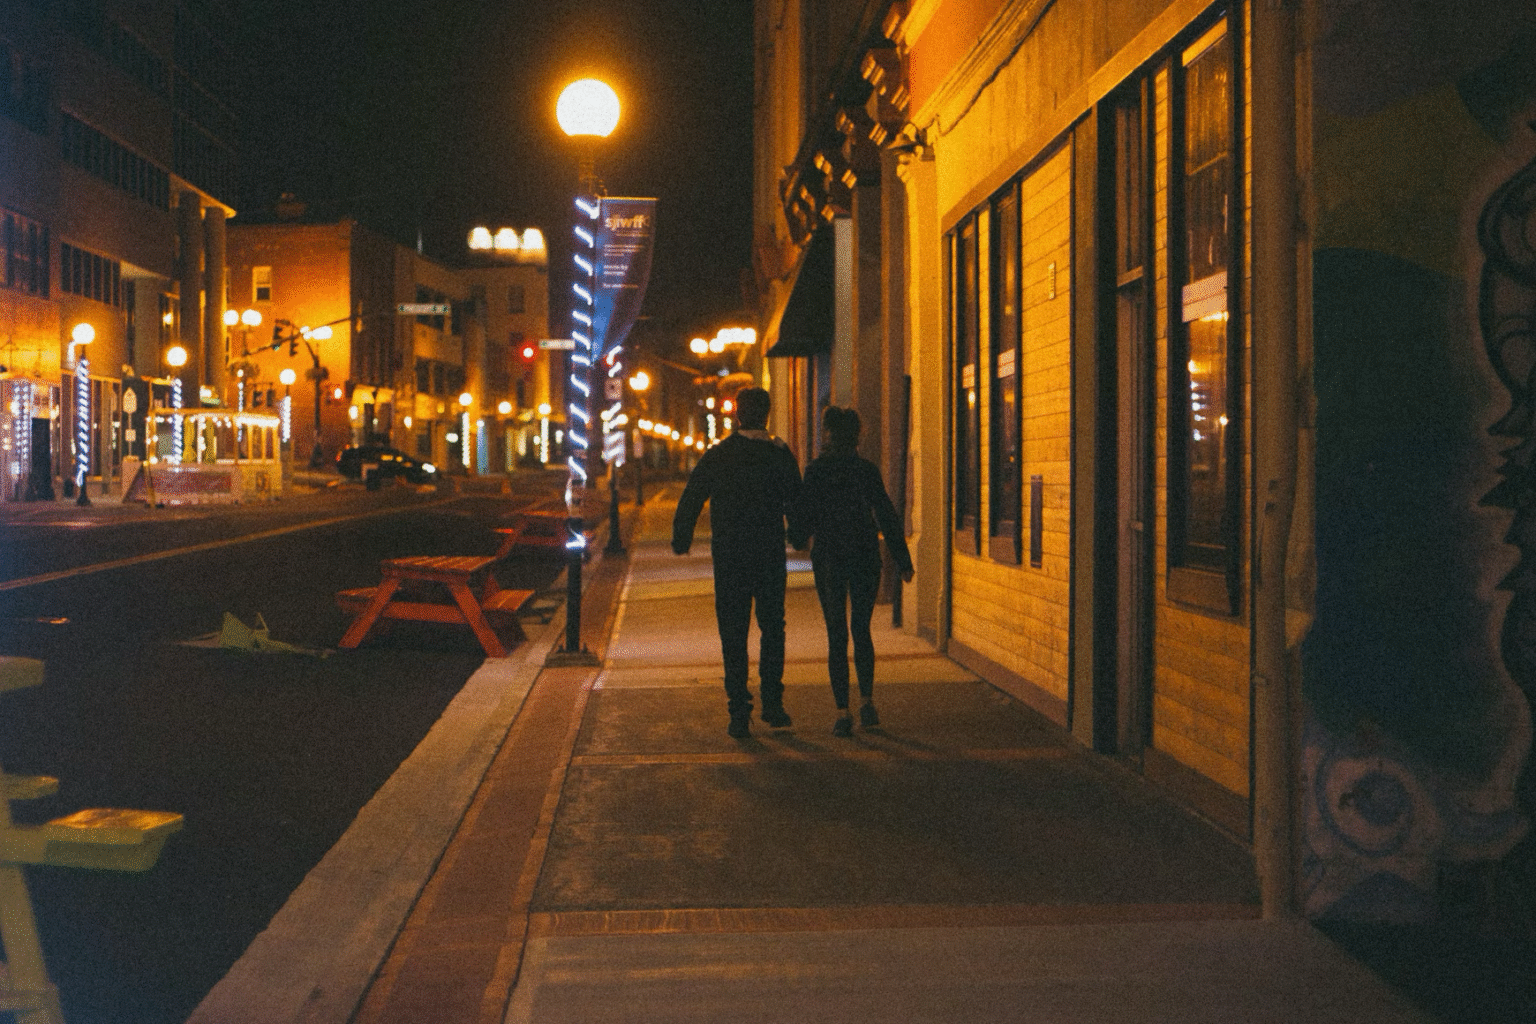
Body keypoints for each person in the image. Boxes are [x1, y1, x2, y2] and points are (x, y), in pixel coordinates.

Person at [672, 387, 804, 738]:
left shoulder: (720, 454)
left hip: (730, 555)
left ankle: (739, 710)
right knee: (772, 627)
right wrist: (798, 534)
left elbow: (692, 496)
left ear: (737, 415)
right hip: (769, 554)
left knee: (733, 630)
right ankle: (772, 703)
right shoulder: (778, 454)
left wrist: (682, 537)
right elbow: (796, 498)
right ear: (767, 414)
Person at [792, 406, 913, 737]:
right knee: (862, 629)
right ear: (857, 435)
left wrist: (796, 536)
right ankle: (867, 702)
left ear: (828, 433)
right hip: (863, 554)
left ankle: (842, 711)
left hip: (829, 556)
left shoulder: (816, 471)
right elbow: (885, 513)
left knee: (836, 633)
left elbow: (804, 517)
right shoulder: (865, 470)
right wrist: (902, 560)